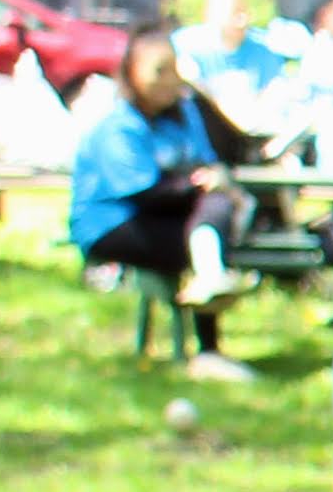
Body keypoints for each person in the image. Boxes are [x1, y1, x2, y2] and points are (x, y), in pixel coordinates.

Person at [67, 24, 254, 382]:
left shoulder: (185, 116)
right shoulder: (119, 126)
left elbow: (204, 164)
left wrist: (207, 183)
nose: (169, 81)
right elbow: (144, 193)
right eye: (158, 71)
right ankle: (208, 348)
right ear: (132, 73)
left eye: (173, 70)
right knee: (201, 239)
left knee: (210, 216)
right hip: (113, 223)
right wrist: (198, 185)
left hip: (171, 215)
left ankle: (208, 340)